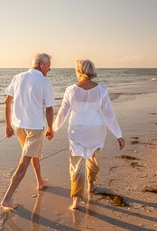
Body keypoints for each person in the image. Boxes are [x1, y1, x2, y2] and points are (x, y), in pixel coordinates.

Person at [52, 59, 125, 209]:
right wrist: (118, 135)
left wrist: (53, 130)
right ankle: (91, 185)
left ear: (79, 70)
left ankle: (76, 200)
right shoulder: (102, 90)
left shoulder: (71, 90)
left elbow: (62, 114)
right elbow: (109, 116)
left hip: (77, 131)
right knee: (93, 160)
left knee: (77, 165)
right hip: (95, 131)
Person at [1, 53, 55, 209]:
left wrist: (8, 125)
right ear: (41, 65)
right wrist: (51, 128)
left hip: (19, 127)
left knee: (32, 154)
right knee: (24, 161)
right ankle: (7, 199)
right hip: (34, 128)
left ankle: (39, 181)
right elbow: (49, 109)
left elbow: (7, 102)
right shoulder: (45, 82)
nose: (50, 69)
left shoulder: (18, 77)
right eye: (49, 65)